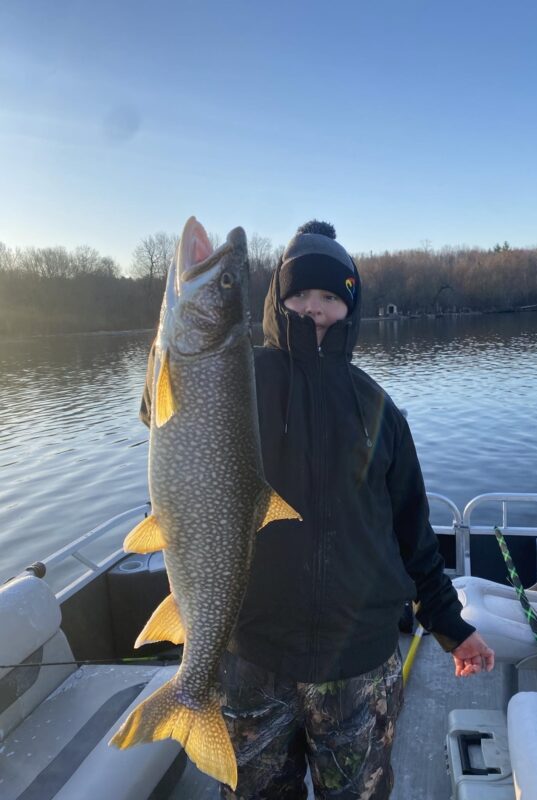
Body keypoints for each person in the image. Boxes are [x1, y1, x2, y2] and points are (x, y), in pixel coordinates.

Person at [141, 220, 494, 800]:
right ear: (275, 301)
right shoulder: (239, 374)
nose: (313, 307)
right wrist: (164, 358)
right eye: (299, 293)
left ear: (350, 306)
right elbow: (158, 412)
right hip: (252, 655)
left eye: (329, 295)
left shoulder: (379, 408)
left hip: (359, 662)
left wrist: (450, 627)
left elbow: (413, 533)